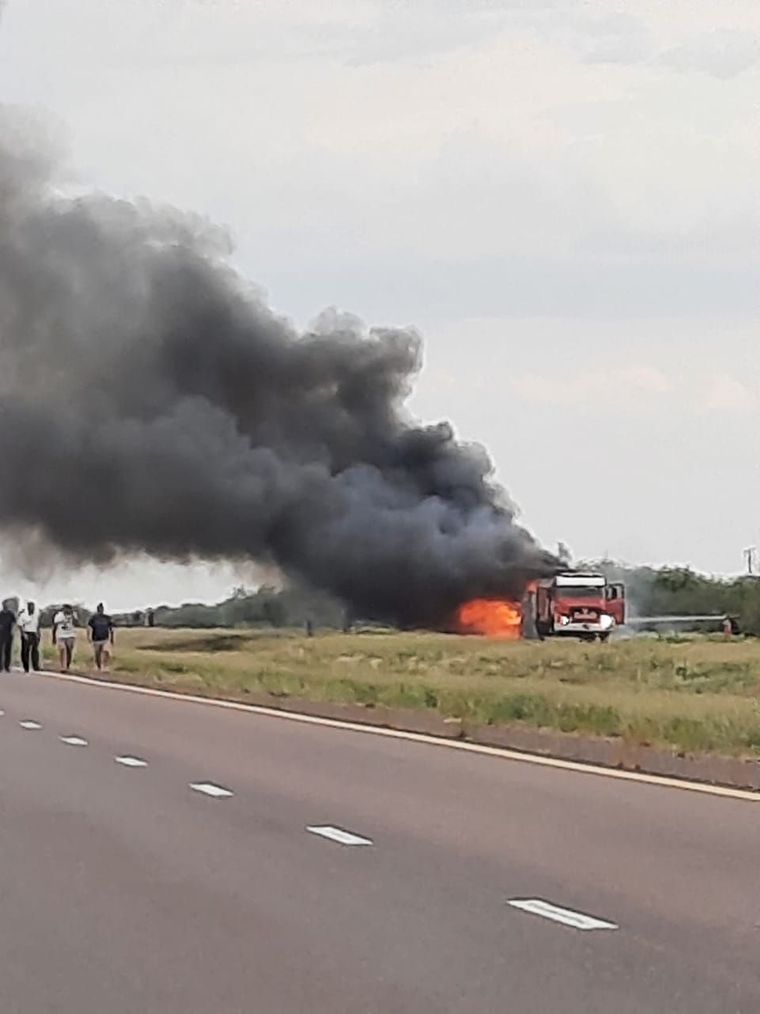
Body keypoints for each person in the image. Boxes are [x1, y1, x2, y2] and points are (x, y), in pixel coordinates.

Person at [87, 603, 114, 671]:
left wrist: (112, 638)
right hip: (96, 639)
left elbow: (111, 629)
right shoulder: (93, 618)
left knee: (106, 652)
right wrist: (88, 636)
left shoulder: (107, 618)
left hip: (105, 638)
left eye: (102, 609)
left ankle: (105, 666)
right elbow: (89, 627)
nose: (100, 610)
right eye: (99, 609)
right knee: (97, 654)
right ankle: (98, 666)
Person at [17, 600, 41, 673]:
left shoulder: (36, 614)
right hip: (26, 633)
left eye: (33, 607)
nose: (32, 609)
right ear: (28, 607)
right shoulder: (23, 615)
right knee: (25, 651)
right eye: (30, 607)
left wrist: (38, 633)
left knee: (35, 650)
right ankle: (26, 667)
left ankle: (35, 666)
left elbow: (37, 625)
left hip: (34, 633)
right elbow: (20, 625)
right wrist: (23, 634)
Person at [52, 604, 77, 672]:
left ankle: (67, 665)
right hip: (61, 635)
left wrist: (72, 616)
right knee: (63, 650)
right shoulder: (59, 616)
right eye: (65, 609)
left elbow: (77, 623)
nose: (67, 610)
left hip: (70, 635)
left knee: (69, 651)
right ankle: (63, 666)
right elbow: (54, 626)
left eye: (69, 609)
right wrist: (53, 637)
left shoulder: (73, 615)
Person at [0, 600, 16, 673]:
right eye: (4, 605)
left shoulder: (11, 614)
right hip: (1, 634)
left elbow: (14, 623)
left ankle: (7, 666)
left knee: (8, 650)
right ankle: (0, 666)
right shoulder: (0, 614)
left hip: (9, 633)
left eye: (6, 605)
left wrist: (13, 630)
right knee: (0, 650)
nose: (5, 606)